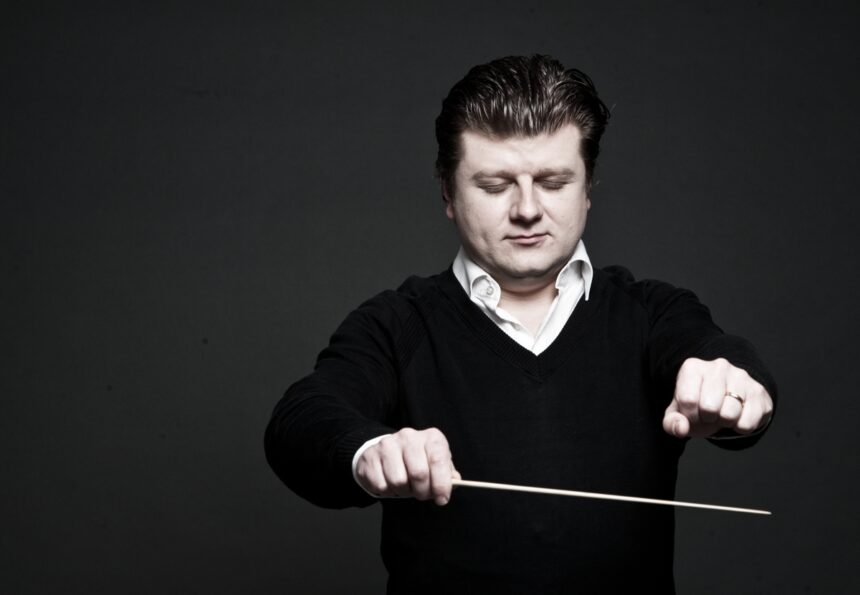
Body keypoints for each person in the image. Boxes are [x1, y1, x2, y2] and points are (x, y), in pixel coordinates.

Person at [264, 54, 775, 594]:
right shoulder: (396, 325)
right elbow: (301, 420)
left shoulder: (651, 314)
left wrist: (733, 385)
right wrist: (370, 450)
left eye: (553, 182)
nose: (527, 209)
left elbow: (717, 354)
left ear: (587, 189)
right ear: (448, 193)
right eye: (494, 185)